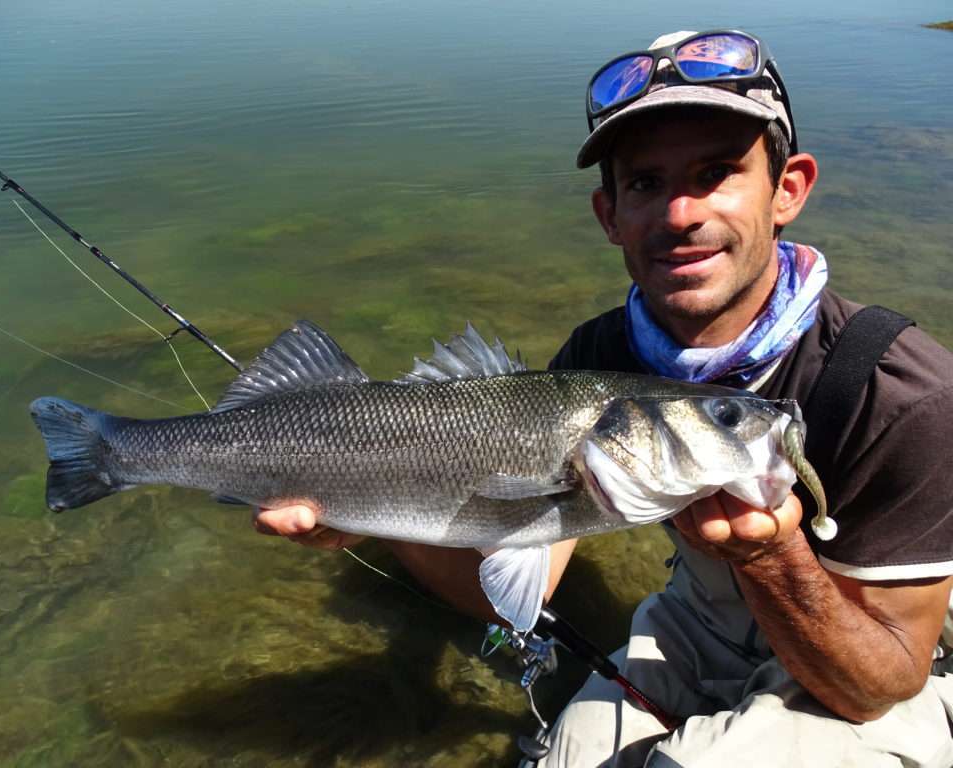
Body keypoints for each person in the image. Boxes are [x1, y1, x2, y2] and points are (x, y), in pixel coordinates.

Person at [253, 29, 953, 767]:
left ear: (788, 189)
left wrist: (773, 554)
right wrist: (371, 507)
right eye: (646, 183)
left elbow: (878, 687)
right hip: (704, 619)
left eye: (716, 173)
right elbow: (511, 584)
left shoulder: (902, 391)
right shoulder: (601, 357)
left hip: (881, 655)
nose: (680, 214)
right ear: (609, 215)